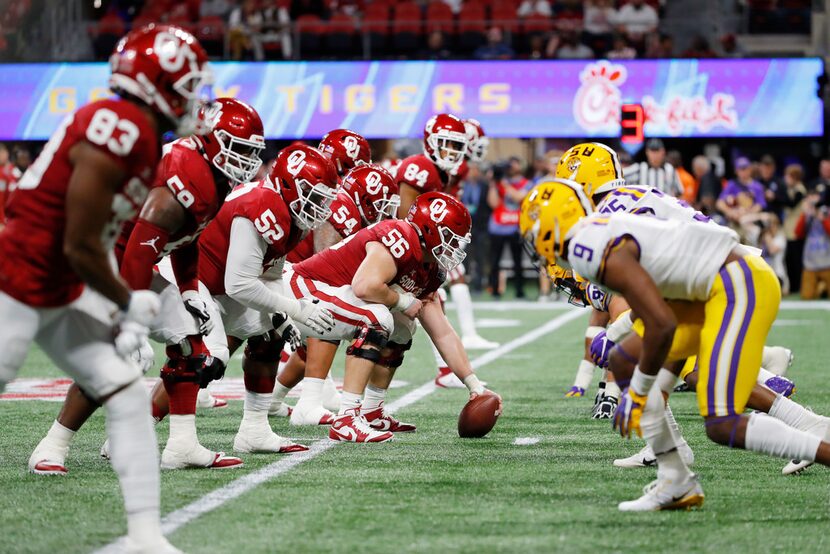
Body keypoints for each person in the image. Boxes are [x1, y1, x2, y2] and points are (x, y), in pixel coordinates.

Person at [0, 24, 212, 553]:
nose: (194, 98)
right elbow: (78, 241)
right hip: (19, 280)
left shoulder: (140, 134)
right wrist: (126, 302)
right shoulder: (117, 125)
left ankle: (145, 535)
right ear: (158, 84)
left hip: (60, 285)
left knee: (121, 388)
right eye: (187, 85)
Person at [525, 180, 830, 511]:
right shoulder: (596, 231)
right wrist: (623, 344)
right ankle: (676, 480)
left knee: (722, 422)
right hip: (700, 290)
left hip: (736, 284)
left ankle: (822, 445)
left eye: (532, 234)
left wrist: (640, 392)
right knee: (624, 359)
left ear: (552, 226)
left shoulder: (590, 251)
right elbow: (659, 301)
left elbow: (662, 324)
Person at [28, 98, 266, 474]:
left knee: (191, 342)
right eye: (238, 149)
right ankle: (52, 446)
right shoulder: (187, 174)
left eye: (251, 153)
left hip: (126, 257)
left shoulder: (213, 176)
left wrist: (189, 291)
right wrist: (131, 317)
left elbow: (187, 238)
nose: (246, 161)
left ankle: (182, 446)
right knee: (120, 353)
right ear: (209, 139)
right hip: (96, 259)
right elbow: (139, 249)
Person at [287, 192, 501, 442]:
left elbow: (442, 332)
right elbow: (364, 287)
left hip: (330, 298)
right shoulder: (400, 238)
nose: (454, 248)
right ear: (430, 230)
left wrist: (474, 386)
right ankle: (346, 418)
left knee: (404, 326)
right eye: (451, 239)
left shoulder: (429, 267)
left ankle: (371, 410)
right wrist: (401, 300)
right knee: (377, 317)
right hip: (303, 288)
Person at [272, 163, 400, 426]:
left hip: (293, 276)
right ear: (363, 199)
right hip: (287, 276)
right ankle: (307, 402)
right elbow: (325, 266)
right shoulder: (341, 208)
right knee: (332, 313)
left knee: (319, 328)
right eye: (381, 204)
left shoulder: (353, 212)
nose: (385, 213)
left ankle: (276, 400)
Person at [394, 114, 496, 392]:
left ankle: (445, 369)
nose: (451, 152)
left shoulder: (441, 170)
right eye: (446, 144)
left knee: (427, 306)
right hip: (390, 247)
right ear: (430, 143)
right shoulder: (420, 168)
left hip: (407, 247)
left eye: (456, 145)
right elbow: (404, 219)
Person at [488, 156, 531, 299]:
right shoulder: (499, 183)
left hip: (515, 227)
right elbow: (493, 203)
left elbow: (520, 198)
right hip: (498, 227)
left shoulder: (526, 183)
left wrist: (505, 185)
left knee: (517, 262)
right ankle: (495, 290)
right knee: (495, 261)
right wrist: (494, 183)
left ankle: (520, 290)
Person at [795, 191, 830, 299]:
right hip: (810, 262)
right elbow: (798, 233)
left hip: (827, 260)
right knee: (807, 296)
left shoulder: (826, 212)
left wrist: (823, 219)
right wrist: (805, 215)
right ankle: (820, 288)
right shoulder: (806, 215)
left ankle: (822, 287)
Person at [716, 156, 766, 232]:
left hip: (750, 219)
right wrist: (730, 212)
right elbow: (719, 203)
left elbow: (760, 205)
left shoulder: (757, 186)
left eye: (745, 168)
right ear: (736, 171)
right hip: (733, 219)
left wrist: (746, 213)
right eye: (741, 169)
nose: (744, 172)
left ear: (750, 169)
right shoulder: (731, 184)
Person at [781, 164, 808, 292]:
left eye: (788, 176)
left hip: (796, 229)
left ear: (794, 177)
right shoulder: (791, 190)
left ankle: (798, 287)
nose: (786, 179)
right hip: (789, 229)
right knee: (789, 259)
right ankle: (793, 286)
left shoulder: (800, 190)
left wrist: (776, 197)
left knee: (796, 259)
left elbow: (791, 204)